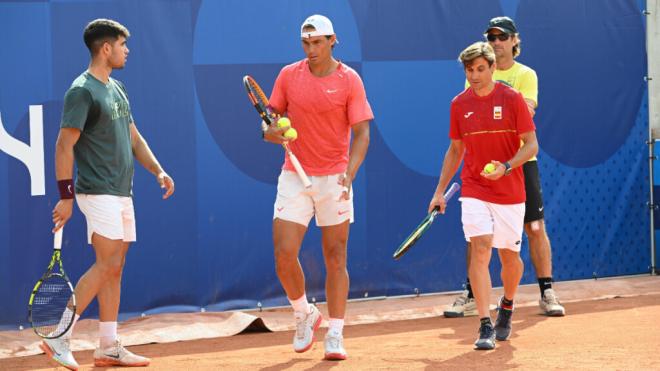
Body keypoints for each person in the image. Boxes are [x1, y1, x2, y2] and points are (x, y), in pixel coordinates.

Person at [45, 19, 175, 370]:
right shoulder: (82, 91)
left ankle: (107, 346)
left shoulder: (117, 89)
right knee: (105, 265)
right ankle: (59, 335)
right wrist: (66, 195)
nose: (126, 50)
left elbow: (133, 136)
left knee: (115, 268)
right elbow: (63, 145)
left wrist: (158, 170)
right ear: (106, 49)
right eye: (122, 45)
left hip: (121, 191)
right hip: (96, 191)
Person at [262, 14, 373, 360]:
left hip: (334, 178)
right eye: (306, 43)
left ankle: (335, 333)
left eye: (317, 43)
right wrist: (272, 132)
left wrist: (349, 173)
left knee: (335, 256)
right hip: (294, 174)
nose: (311, 49)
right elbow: (269, 123)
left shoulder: (349, 80)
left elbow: (362, 134)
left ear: (332, 41)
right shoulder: (288, 76)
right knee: (283, 255)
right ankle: (304, 313)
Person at [444, 16, 565, 318]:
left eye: (503, 37)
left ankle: (546, 291)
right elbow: (472, 111)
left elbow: (525, 113)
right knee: (478, 235)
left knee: (534, 227)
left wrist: (501, 102)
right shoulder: (476, 72)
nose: (497, 42)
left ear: (514, 41)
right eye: (492, 37)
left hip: (520, 162)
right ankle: (473, 295)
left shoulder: (527, 75)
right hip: (483, 167)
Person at [429, 41, 538, 350]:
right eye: (469, 69)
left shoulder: (513, 99)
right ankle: (485, 324)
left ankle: (507, 304)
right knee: (480, 248)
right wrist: (439, 191)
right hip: (475, 187)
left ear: (492, 68)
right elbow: (455, 150)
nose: (474, 75)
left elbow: (531, 145)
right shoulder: (459, 104)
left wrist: (506, 166)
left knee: (510, 259)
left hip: (509, 188)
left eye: (480, 69)